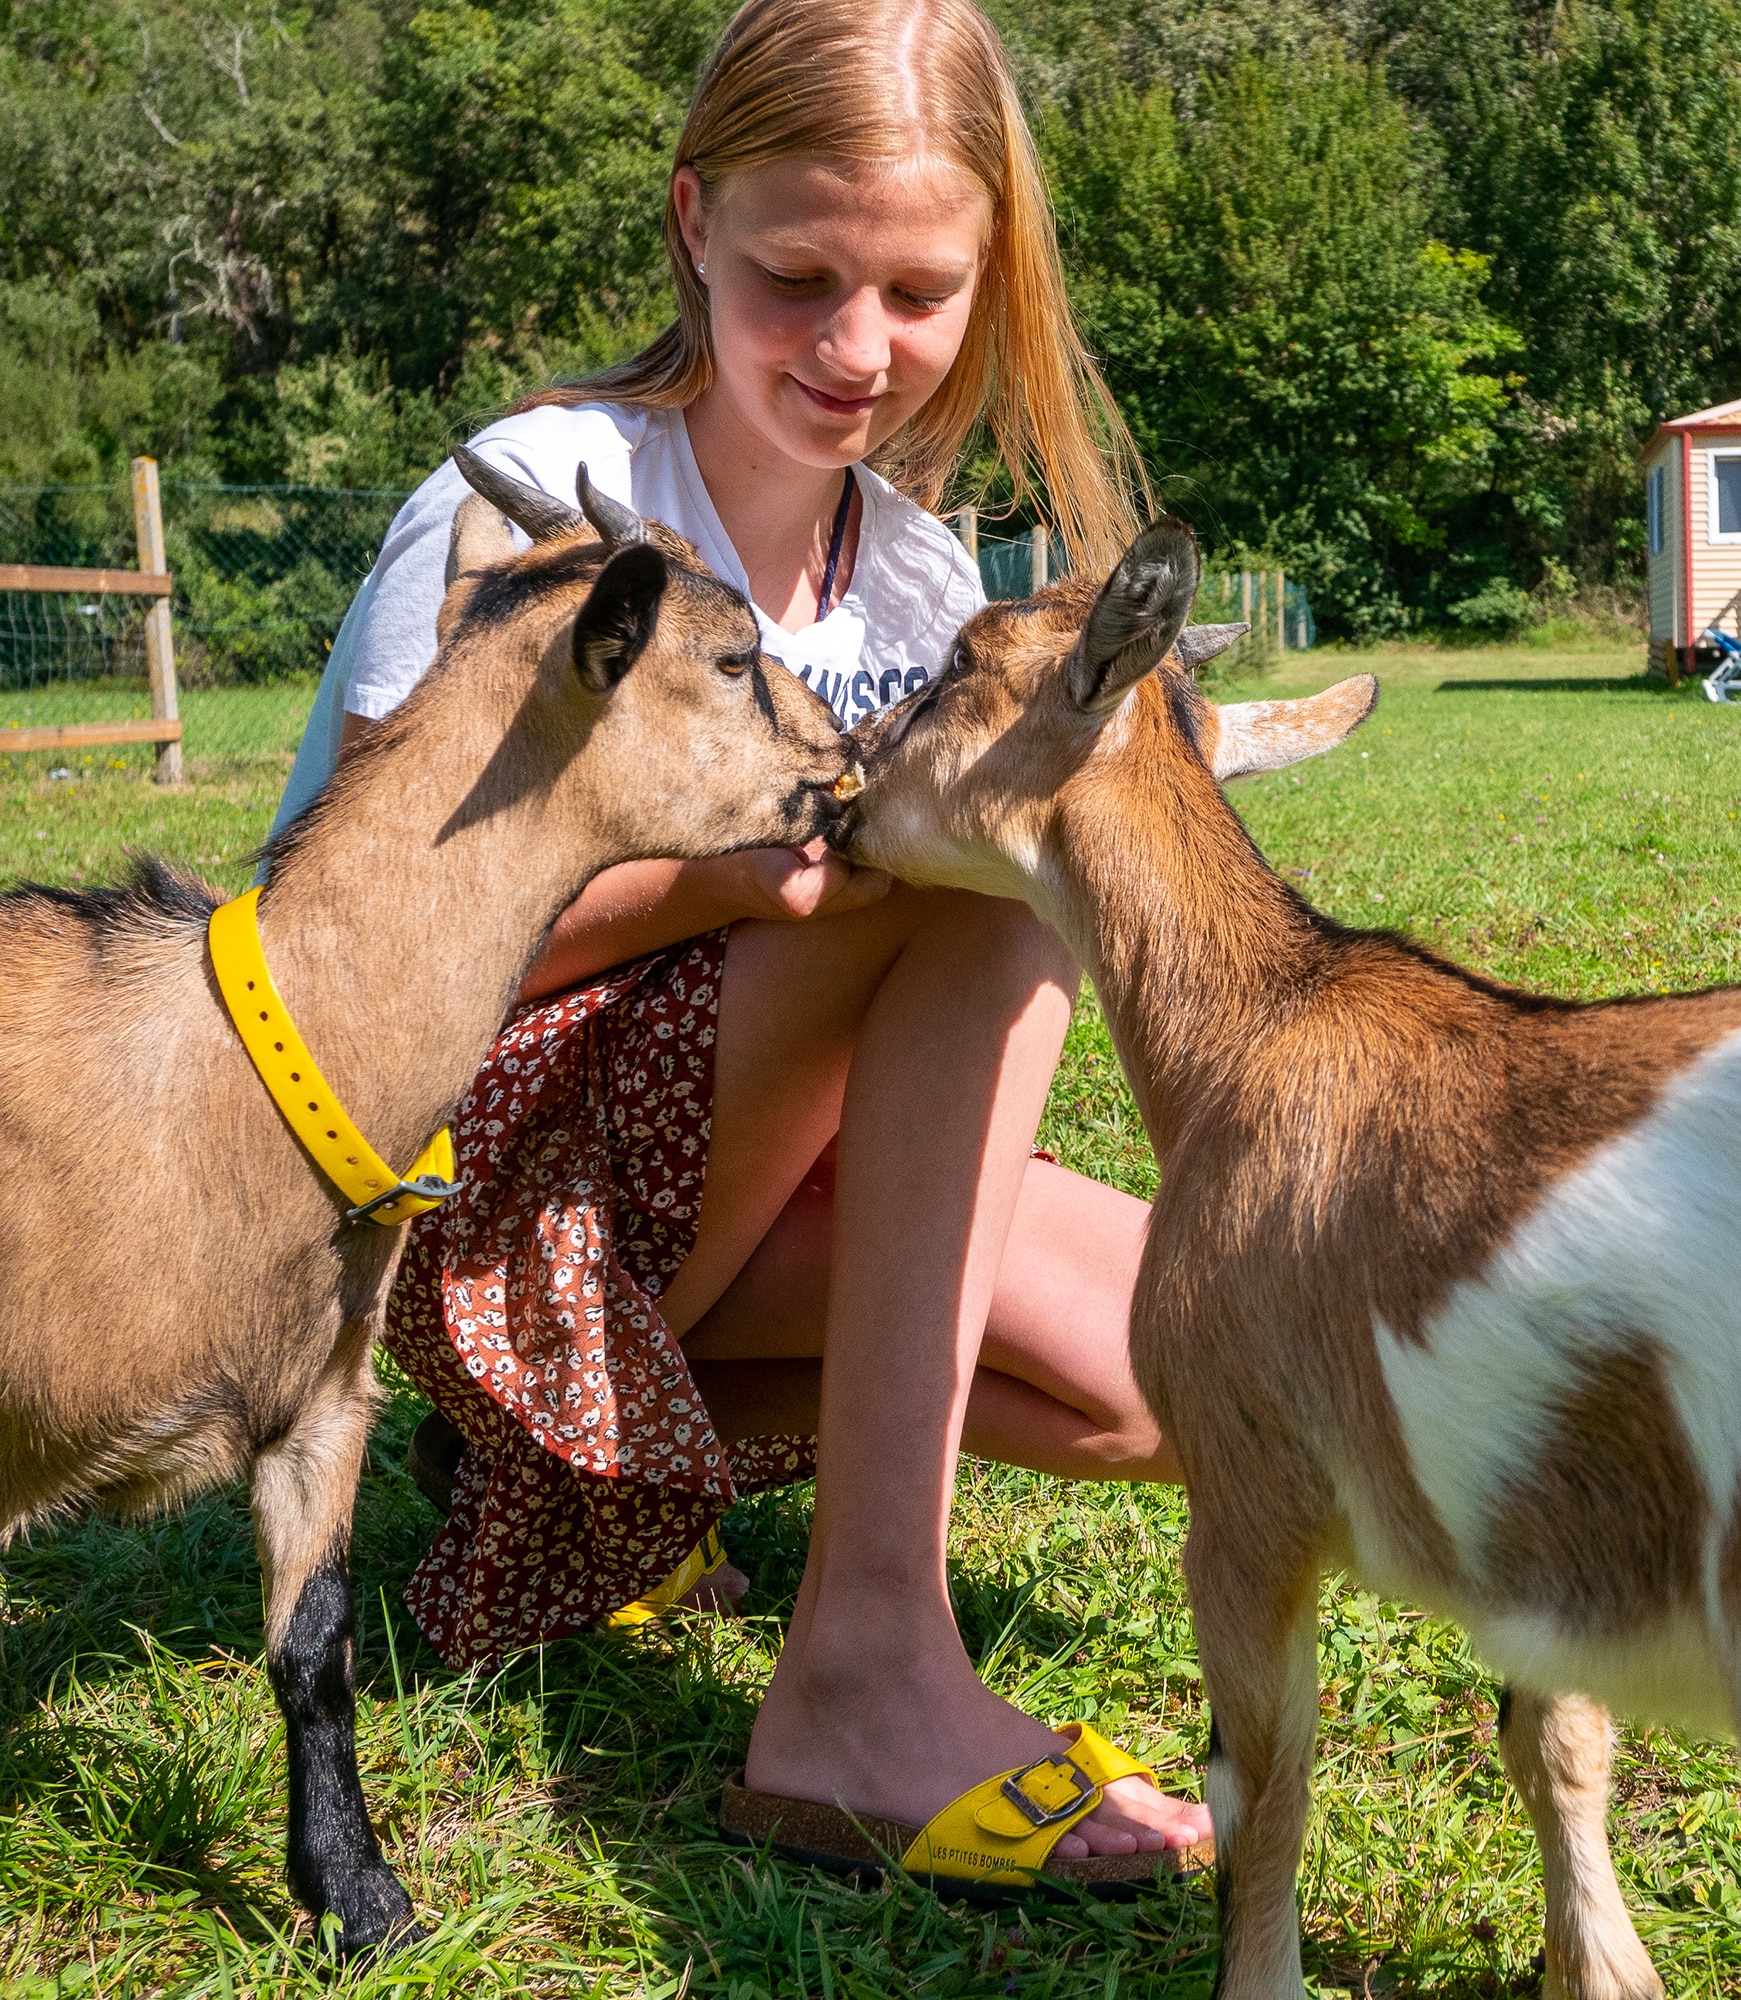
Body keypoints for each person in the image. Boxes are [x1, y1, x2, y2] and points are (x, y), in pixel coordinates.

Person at [266, 0, 1212, 1879]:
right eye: (798, 276)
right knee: (960, 885)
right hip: (462, 1187)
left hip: (734, 1177)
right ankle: (863, 1666)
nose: (859, 350)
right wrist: (722, 878)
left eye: (923, 292)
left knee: (1154, 1384)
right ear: (694, 221)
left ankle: (573, 1470)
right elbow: (319, 950)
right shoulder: (535, 497)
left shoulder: (925, 576)